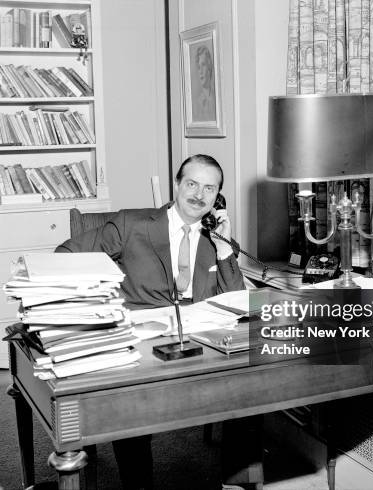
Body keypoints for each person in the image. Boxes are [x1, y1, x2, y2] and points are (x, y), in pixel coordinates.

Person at [57, 154, 262, 489]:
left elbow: (236, 303)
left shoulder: (219, 242)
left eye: (210, 189)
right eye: (192, 184)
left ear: (217, 198)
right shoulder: (131, 225)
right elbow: (66, 254)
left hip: (197, 346)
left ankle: (237, 482)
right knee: (131, 403)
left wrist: (225, 248)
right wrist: (100, 300)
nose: (199, 194)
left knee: (249, 381)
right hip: (140, 343)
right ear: (176, 185)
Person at [193, 45, 216, 122]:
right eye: (199, 67)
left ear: (209, 67)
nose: (201, 72)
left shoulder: (215, 97)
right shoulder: (197, 103)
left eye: (203, 65)